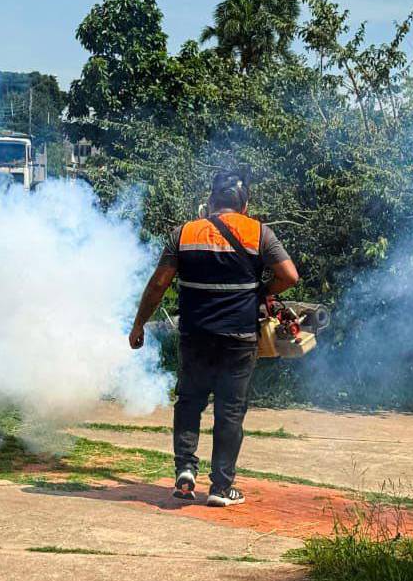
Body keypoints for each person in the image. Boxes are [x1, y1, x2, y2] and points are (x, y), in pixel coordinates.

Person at [128, 170, 300, 506]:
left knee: (190, 401)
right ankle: (221, 488)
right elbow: (290, 276)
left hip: (195, 335)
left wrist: (139, 325)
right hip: (239, 336)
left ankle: (185, 471)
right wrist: (262, 292)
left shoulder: (184, 233)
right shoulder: (259, 233)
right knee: (230, 410)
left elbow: (159, 283)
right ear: (245, 204)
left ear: (210, 201)